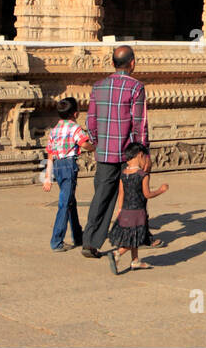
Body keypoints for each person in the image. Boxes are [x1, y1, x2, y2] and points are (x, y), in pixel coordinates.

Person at [82, 45, 162, 258]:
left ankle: (90, 241)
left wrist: (100, 143)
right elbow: (139, 123)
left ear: (113, 63)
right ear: (133, 63)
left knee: (102, 196)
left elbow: (90, 121)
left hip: (105, 151)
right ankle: (140, 235)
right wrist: (142, 152)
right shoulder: (136, 87)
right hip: (128, 153)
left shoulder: (98, 87)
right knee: (135, 196)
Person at [106, 143, 168, 274]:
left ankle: (135, 260)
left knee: (131, 235)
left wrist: (120, 209)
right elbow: (147, 194)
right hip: (138, 211)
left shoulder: (124, 173)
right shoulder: (142, 175)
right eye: (145, 157)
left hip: (126, 210)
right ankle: (117, 253)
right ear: (140, 155)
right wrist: (161, 190)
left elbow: (121, 193)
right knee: (137, 236)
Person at [43, 96, 91, 252]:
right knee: (65, 203)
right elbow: (83, 143)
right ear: (75, 114)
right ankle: (57, 240)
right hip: (68, 165)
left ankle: (77, 235)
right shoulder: (74, 127)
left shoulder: (54, 130)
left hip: (57, 166)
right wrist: (95, 147)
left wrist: (47, 177)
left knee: (70, 200)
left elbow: (50, 154)